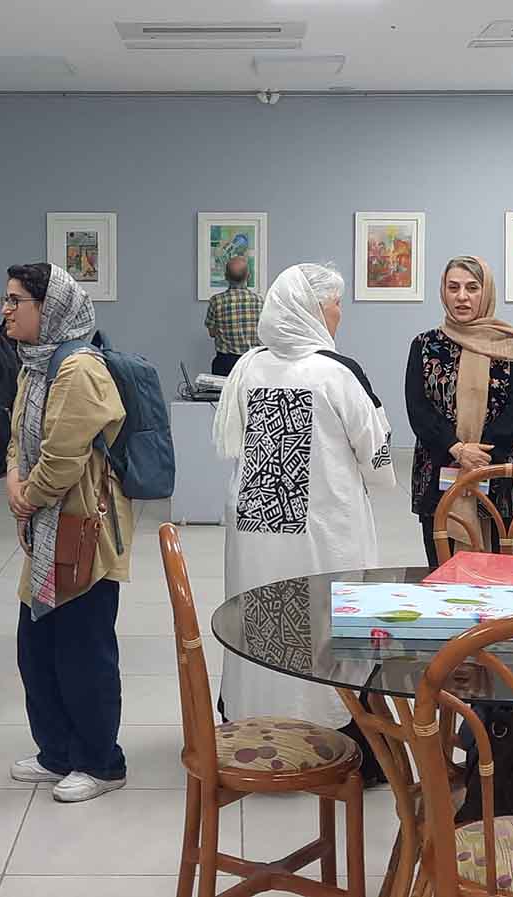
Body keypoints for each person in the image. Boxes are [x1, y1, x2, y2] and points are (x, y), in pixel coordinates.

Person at [213, 263, 394, 738]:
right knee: (324, 621)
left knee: (261, 618)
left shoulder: (247, 367)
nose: (339, 314)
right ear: (312, 309)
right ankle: (333, 733)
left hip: (256, 529)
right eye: (335, 304)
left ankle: (256, 721)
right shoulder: (336, 372)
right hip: (325, 531)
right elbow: (377, 460)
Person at [1, 262, 134, 804]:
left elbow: (62, 459)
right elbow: (17, 437)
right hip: (45, 525)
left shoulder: (79, 370)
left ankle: (101, 761)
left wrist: (25, 496)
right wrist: (15, 480)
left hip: (83, 529)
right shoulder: (33, 364)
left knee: (84, 651)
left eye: (16, 301)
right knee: (38, 647)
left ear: (49, 308)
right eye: (6, 299)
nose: (6, 310)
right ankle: (56, 751)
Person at [404, 255, 513, 567]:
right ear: (443, 292)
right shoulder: (424, 345)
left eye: (472, 288)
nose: (462, 296)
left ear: (486, 291)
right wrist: (458, 449)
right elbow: (418, 407)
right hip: (439, 468)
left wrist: (479, 454)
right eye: (454, 288)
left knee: (498, 573)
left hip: (499, 469)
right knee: (442, 571)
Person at [205, 254, 262, 376]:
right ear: (248, 276)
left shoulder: (216, 301)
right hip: (252, 363)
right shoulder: (260, 301)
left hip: (225, 364)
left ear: (226, 276)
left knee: (222, 389)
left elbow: (211, 332)